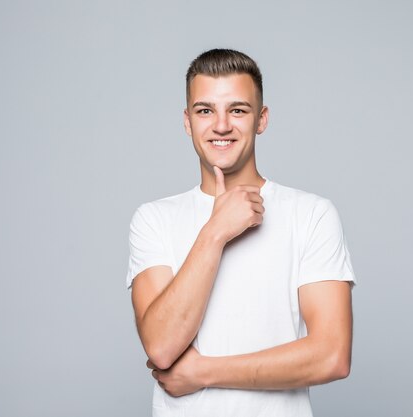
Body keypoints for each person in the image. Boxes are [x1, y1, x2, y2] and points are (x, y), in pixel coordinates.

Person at [126, 48, 356, 417]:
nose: (221, 125)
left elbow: (331, 356)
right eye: (205, 111)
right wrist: (215, 231)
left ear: (261, 119)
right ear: (187, 121)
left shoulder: (311, 214)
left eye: (237, 110)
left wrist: (204, 372)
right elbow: (161, 347)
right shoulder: (153, 219)